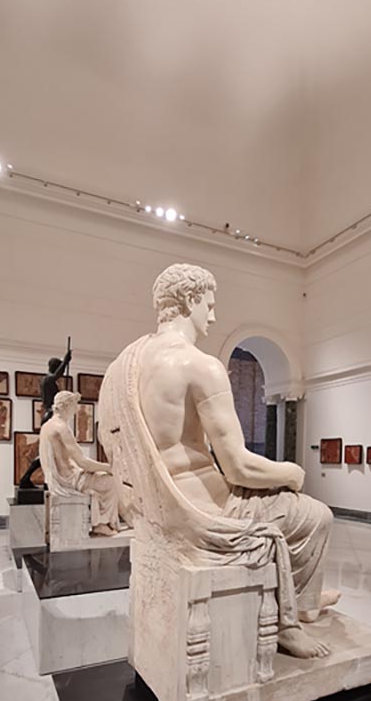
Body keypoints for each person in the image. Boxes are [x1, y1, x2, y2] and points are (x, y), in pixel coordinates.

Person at [100, 263, 340, 660]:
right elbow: (239, 468)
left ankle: (302, 599)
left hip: (155, 510)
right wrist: (292, 473)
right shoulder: (202, 366)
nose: (212, 316)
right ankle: (295, 613)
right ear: (190, 300)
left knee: (286, 502)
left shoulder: (121, 367)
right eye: (209, 305)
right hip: (204, 513)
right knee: (314, 514)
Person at [39, 391, 119, 536]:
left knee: (100, 476)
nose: (76, 410)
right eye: (75, 405)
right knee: (110, 481)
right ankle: (101, 524)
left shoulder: (47, 426)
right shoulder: (61, 428)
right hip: (69, 480)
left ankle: (100, 520)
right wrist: (109, 467)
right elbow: (82, 462)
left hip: (61, 477)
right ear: (66, 406)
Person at [19, 348, 72, 488]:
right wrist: (66, 361)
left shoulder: (48, 380)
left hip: (49, 414)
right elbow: (58, 374)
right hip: (50, 415)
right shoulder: (47, 379)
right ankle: (28, 479)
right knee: (49, 451)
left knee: (52, 452)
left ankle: (44, 480)